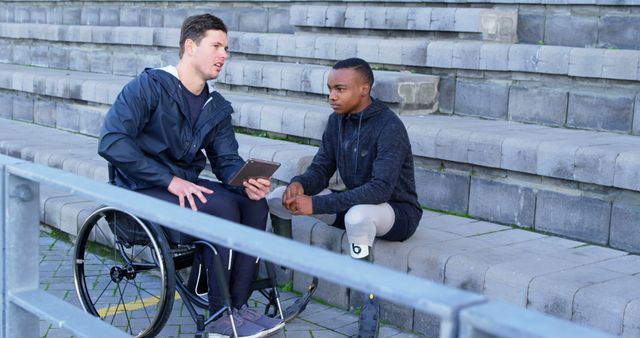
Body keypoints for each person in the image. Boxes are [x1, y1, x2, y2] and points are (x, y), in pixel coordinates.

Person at [98, 14, 283, 338]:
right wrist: (168, 180)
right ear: (189, 46)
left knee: (253, 205)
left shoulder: (216, 105)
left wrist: (247, 182)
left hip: (183, 186)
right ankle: (218, 316)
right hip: (139, 188)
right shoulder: (149, 87)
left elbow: (226, 162)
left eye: (226, 48)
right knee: (221, 208)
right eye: (216, 46)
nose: (224, 54)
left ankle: (236, 307)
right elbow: (112, 142)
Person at [266, 58, 423, 338]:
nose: (332, 96)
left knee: (358, 215)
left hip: (394, 213)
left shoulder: (389, 127)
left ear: (364, 89)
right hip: (353, 204)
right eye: (329, 88)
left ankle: (369, 304)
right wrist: (299, 184)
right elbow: (321, 168)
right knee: (277, 198)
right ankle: (279, 280)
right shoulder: (336, 121)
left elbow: (379, 191)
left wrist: (316, 204)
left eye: (340, 89)